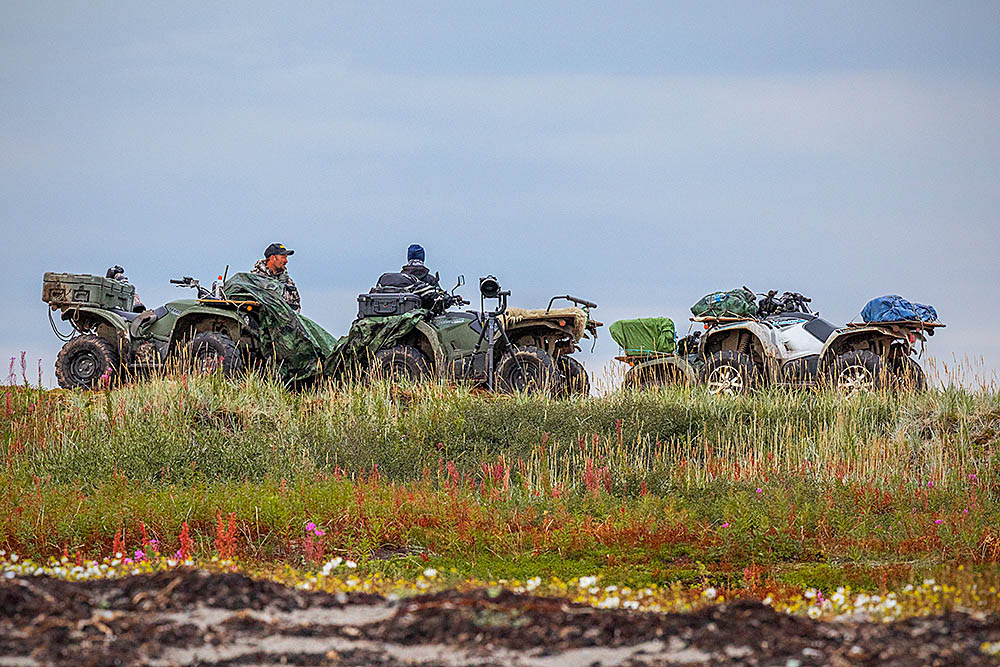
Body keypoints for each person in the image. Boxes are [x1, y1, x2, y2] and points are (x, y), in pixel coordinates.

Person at [252, 243, 301, 312]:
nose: (286, 261)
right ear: (272, 258)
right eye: (283, 257)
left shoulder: (288, 281)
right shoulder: (255, 279)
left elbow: (296, 305)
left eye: (286, 257)